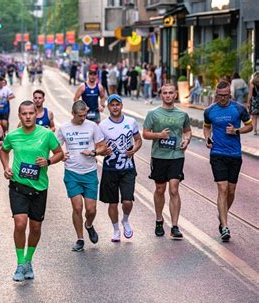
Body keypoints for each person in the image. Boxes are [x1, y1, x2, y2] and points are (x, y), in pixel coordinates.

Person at [0, 100, 64, 282]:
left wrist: (49, 161)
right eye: (24, 114)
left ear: (36, 114)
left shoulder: (46, 135)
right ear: (19, 116)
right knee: (20, 224)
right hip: (18, 186)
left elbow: (59, 153)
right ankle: (20, 264)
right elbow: (3, 151)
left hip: (39, 188)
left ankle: (29, 260)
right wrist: (6, 167)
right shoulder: (13, 136)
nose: (28, 116)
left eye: (31, 113)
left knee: (35, 228)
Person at [203, 81, 252, 241]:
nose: (222, 98)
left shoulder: (238, 109)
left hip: (235, 154)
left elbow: (250, 126)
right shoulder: (210, 110)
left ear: (229, 94)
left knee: (231, 191)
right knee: (222, 189)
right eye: (219, 95)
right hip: (217, 153)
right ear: (216, 94)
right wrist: (207, 138)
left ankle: (222, 214)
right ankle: (224, 226)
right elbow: (206, 126)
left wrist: (237, 130)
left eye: (225, 96)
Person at [57, 100, 108, 251]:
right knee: (77, 207)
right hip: (72, 172)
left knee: (91, 209)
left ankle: (89, 225)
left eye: (85, 115)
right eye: (80, 116)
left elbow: (102, 146)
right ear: (72, 114)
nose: (83, 118)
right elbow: (55, 147)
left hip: (90, 172)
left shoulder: (92, 126)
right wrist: (61, 156)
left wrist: (93, 152)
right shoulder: (64, 128)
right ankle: (80, 239)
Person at [142, 84, 192, 239]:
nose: (168, 95)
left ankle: (175, 226)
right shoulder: (153, 114)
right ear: (161, 95)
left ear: (175, 95)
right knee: (159, 189)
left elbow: (187, 131)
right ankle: (159, 220)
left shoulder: (182, 115)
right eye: (165, 93)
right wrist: (159, 135)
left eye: (171, 93)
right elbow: (145, 134)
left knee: (174, 189)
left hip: (176, 155)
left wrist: (186, 140)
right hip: (159, 156)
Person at [99, 94, 142, 242]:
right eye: (112, 105)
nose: (115, 107)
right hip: (110, 168)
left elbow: (138, 140)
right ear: (109, 107)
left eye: (117, 104)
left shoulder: (131, 122)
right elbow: (98, 146)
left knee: (127, 201)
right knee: (112, 203)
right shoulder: (102, 125)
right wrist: (103, 151)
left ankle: (125, 220)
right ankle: (116, 229)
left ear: (121, 106)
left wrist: (134, 149)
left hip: (127, 167)